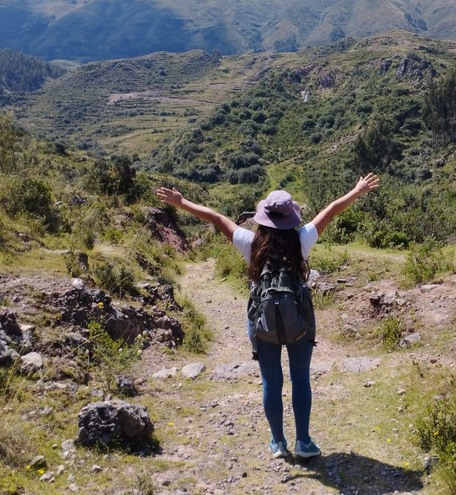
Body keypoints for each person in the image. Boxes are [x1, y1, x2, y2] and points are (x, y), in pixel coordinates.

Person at [156, 173, 379, 459]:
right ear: (291, 218)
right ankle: (304, 443)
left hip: (262, 321)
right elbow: (333, 209)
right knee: (300, 378)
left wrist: (181, 201)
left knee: (271, 382)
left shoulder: (250, 242)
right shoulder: (302, 239)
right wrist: (357, 191)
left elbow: (214, 217)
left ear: (262, 218)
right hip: (298, 317)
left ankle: (278, 443)